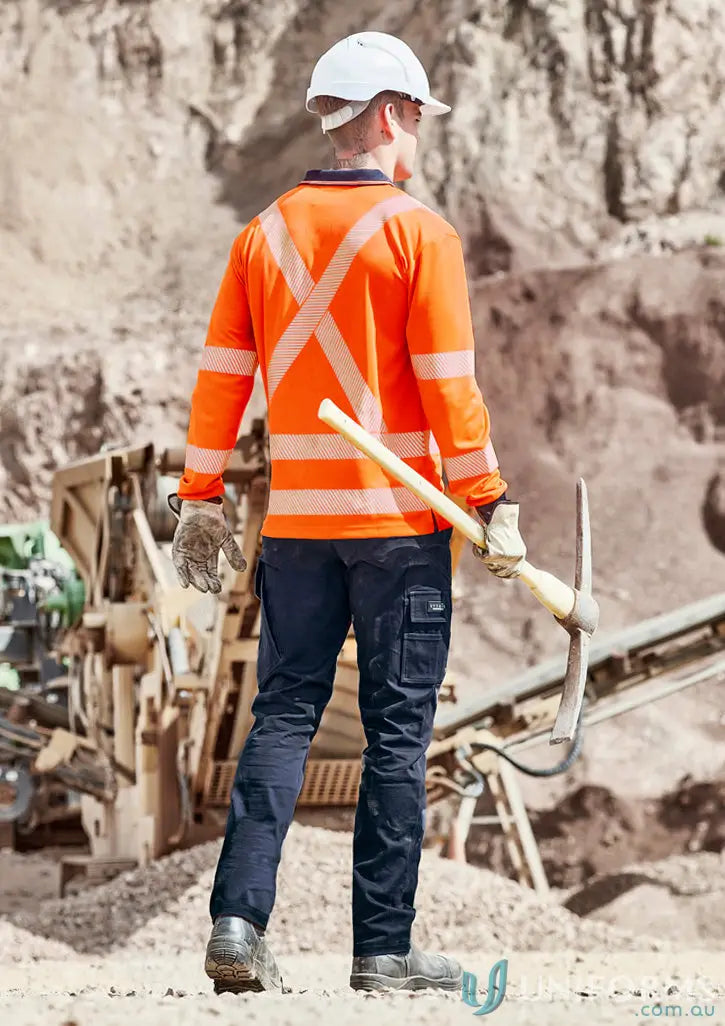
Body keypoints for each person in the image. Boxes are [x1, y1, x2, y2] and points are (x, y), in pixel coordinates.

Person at [169, 30, 527, 995]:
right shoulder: (420, 235)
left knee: (280, 717)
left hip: (296, 534)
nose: (417, 138)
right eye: (414, 119)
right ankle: (382, 950)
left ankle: (238, 927)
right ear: (388, 114)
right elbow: (449, 387)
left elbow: (220, 383)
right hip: (399, 534)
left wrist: (200, 496)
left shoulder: (261, 236)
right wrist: (488, 497)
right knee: (396, 738)